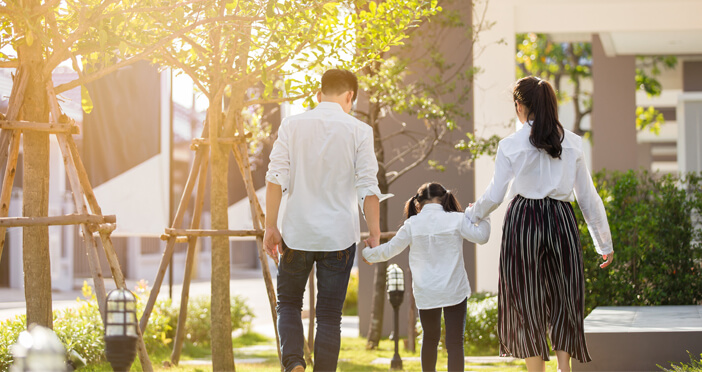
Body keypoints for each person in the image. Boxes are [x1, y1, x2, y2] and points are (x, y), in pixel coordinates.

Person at [466, 76, 614, 372]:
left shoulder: (510, 144)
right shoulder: (572, 142)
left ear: (520, 106)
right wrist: (604, 243)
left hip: (523, 221)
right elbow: (587, 197)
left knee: (524, 297)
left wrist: (472, 214)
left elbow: (496, 194)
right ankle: (564, 368)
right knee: (565, 296)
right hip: (561, 219)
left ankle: (536, 370)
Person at [263, 68, 383, 372]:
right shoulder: (360, 130)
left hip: (296, 234)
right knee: (329, 316)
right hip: (338, 238)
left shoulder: (291, 125)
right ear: (349, 96)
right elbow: (368, 187)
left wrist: (270, 227)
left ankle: (294, 365)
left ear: (319, 94)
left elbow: (275, 179)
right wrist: (374, 233)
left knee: (288, 304)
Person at [362, 182, 490, 372]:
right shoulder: (457, 219)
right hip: (454, 289)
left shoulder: (412, 224)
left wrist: (367, 254)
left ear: (417, 204)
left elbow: (389, 250)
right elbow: (482, 237)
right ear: (444, 198)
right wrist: (484, 215)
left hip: (427, 292)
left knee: (430, 339)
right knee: (455, 343)